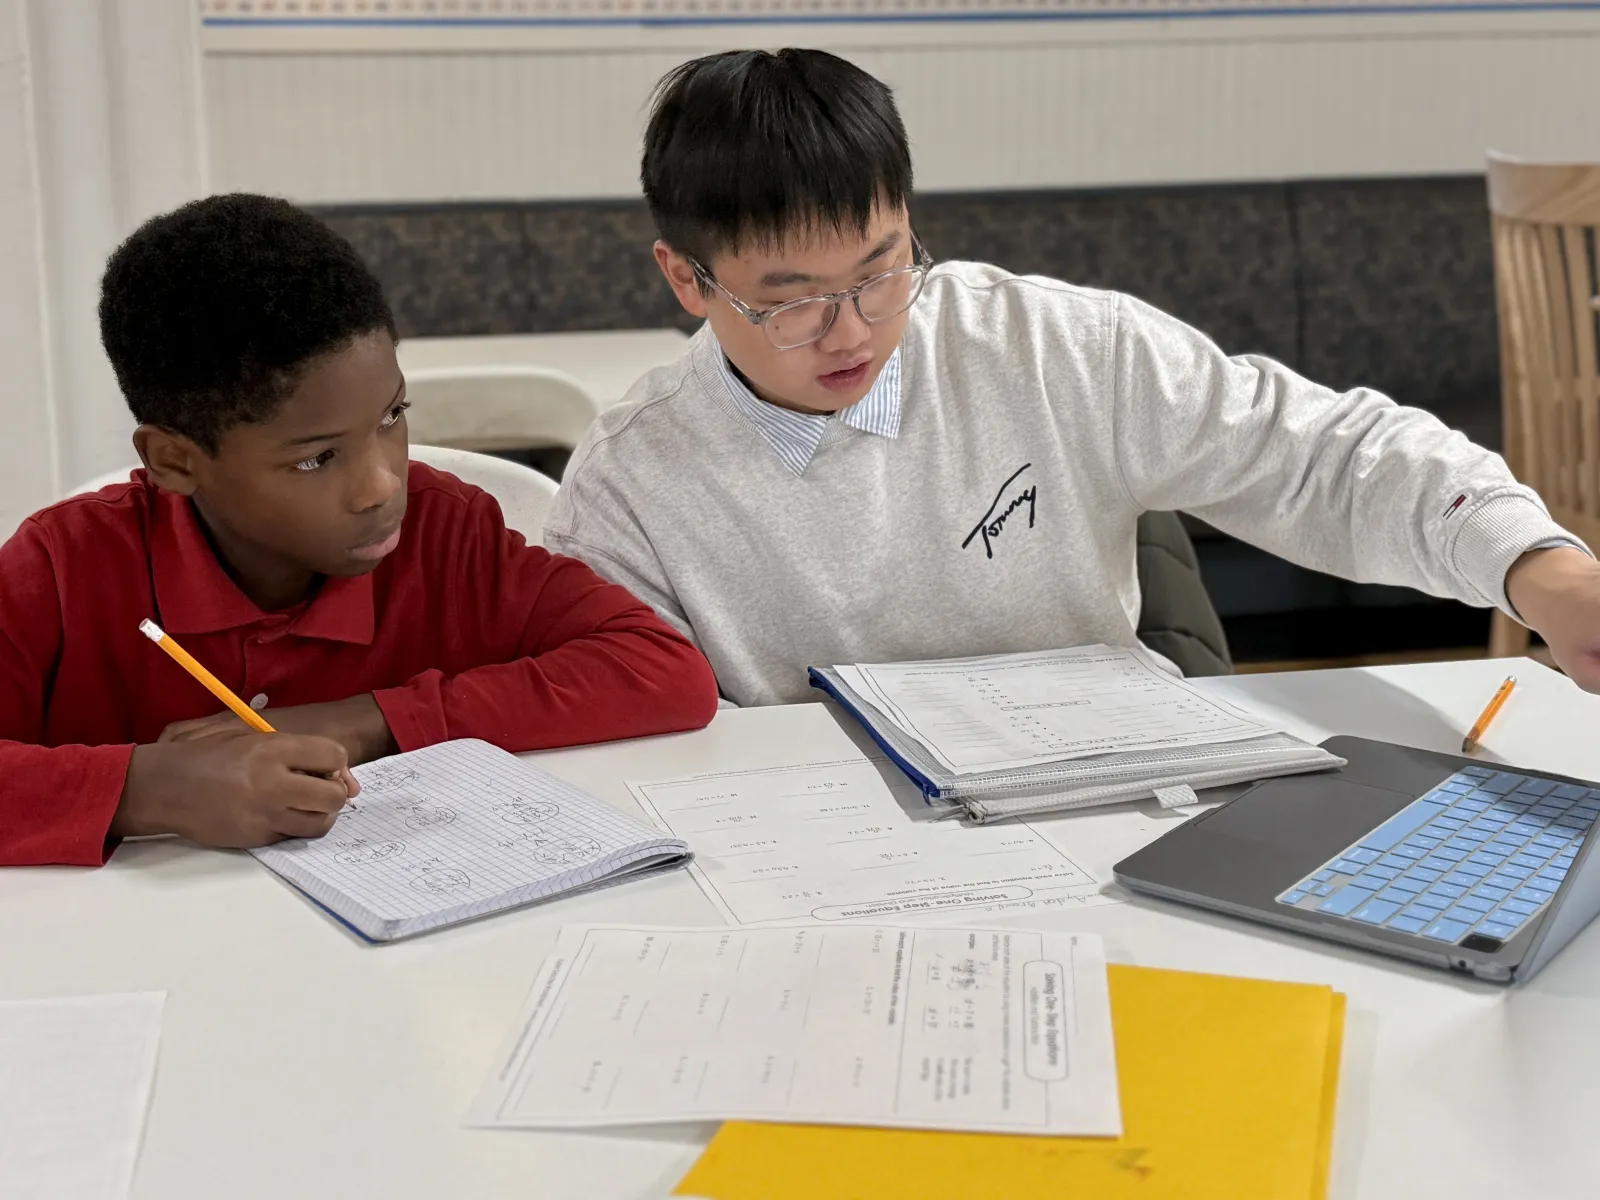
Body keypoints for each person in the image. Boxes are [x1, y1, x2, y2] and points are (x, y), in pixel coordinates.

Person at [545, 47, 1600, 707]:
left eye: (882, 268)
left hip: (1103, 821)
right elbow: (624, 727)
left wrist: (1533, 566)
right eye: (793, 300)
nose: (854, 330)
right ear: (686, 278)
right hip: (821, 871)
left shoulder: (1049, 348)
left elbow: (1327, 457)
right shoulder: (632, 484)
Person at [0, 194, 718, 868]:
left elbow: (663, 670)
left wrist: (365, 720)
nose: (382, 484)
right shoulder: (62, 570)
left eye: (391, 418)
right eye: (315, 457)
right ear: (175, 461)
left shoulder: (445, 534)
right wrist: (145, 789)